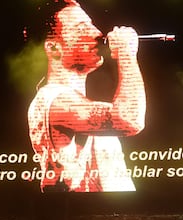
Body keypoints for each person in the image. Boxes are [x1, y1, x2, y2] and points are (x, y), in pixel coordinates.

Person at [26, 0, 146, 192]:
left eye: (91, 24)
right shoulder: (54, 100)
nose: (97, 33)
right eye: (81, 28)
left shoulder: (74, 101)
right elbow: (129, 119)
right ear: (54, 48)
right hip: (86, 217)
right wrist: (126, 53)